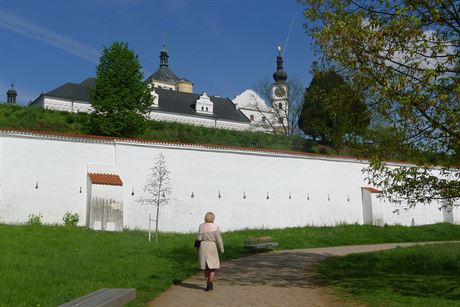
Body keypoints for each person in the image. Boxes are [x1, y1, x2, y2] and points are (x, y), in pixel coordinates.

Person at [197, 212, 224, 291]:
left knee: (205, 267)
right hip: (212, 246)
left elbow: (198, 238)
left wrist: (197, 248)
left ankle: (207, 283)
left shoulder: (201, 226)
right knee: (212, 267)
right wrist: (221, 249)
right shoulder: (215, 227)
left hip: (203, 245)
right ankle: (210, 282)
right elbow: (219, 239)